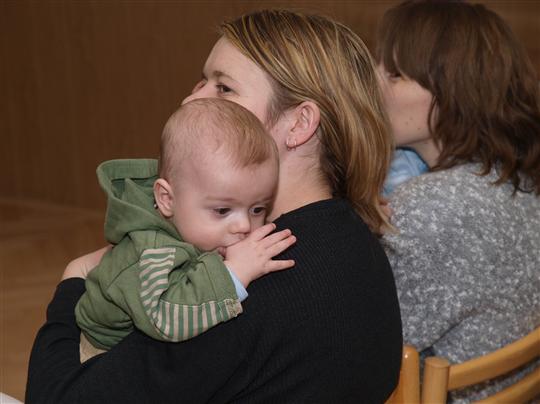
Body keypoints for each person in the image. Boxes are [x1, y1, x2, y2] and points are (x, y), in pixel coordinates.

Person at [26, 9, 402, 403]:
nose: (191, 99)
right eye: (202, 81)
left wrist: (73, 282)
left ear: (299, 123)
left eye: (224, 88)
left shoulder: (234, 288)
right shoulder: (356, 239)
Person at [377, 0, 540, 401]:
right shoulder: (518, 179)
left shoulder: (433, 205)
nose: (373, 84)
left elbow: (362, 346)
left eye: (394, 74)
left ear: (453, 92)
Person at [75, 98, 297, 361]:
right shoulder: (152, 250)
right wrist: (233, 275)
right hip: (100, 354)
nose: (244, 226)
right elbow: (166, 318)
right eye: (222, 210)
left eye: (258, 209)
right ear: (167, 199)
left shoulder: (194, 224)